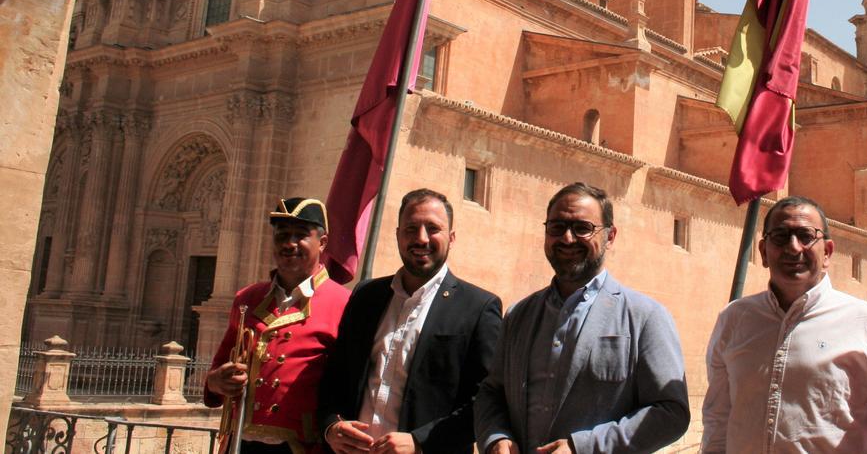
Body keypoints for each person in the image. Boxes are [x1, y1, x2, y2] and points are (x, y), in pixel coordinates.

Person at [475, 182, 690, 454]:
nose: (567, 239)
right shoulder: (519, 315)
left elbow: (671, 412)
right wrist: (496, 436)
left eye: (582, 228)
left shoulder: (645, 317)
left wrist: (585, 448)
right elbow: (491, 392)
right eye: (557, 228)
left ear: (610, 236)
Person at [701, 196, 867, 452]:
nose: (793, 247)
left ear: (828, 252)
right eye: (780, 236)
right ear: (763, 252)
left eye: (806, 236)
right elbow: (718, 416)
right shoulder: (734, 319)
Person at [317, 188, 501, 454]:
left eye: (433, 228)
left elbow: (484, 401)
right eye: (411, 228)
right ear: (398, 234)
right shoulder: (366, 296)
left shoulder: (478, 308)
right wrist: (331, 426)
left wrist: (421, 442)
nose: (421, 238)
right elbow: (334, 376)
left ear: (451, 237)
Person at [204, 197, 350, 454]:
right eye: (282, 235)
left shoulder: (345, 304)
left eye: (301, 235)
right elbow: (217, 369)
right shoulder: (247, 298)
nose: (289, 244)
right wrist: (217, 382)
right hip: (240, 443)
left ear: (323, 242)